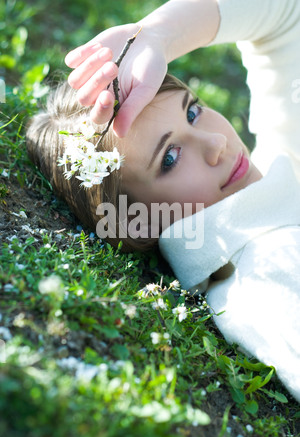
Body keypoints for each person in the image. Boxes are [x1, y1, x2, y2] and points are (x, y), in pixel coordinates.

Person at [26, 0, 300, 403]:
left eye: (193, 112)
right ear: (140, 223)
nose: (216, 143)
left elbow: (285, 14)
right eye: (169, 158)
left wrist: (158, 34)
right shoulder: (267, 279)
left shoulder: (284, 160)